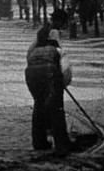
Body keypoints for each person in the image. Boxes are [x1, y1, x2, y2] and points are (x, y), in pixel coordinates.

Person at [24, 28, 72, 156]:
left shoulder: (33, 50)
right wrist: (61, 85)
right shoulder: (58, 51)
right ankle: (62, 144)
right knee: (56, 109)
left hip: (31, 75)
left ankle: (39, 142)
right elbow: (66, 71)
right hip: (50, 73)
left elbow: (29, 60)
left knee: (39, 106)